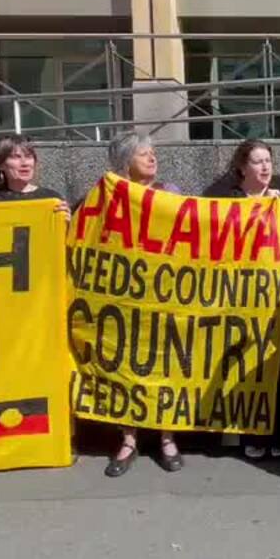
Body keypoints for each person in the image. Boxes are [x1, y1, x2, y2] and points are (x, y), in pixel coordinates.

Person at [202, 95, 280, 460]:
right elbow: (192, 217)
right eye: (257, 161)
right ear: (241, 167)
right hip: (246, 295)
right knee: (250, 364)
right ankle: (253, 434)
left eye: (269, 160)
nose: (265, 166)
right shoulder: (226, 196)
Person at [103, 130, 182, 477]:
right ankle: (129, 439)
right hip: (125, 297)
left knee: (166, 364)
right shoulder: (107, 196)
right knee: (126, 366)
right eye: (143, 154)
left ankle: (167, 437)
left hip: (165, 294)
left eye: (153, 152)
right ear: (125, 163)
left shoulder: (172, 194)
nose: (152, 158)